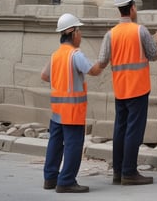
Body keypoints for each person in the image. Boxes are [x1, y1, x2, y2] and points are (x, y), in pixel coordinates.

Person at [96, 0, 157, 185]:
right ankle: (129, 172)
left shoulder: (111, 34)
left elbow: (102, 61)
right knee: (134, 130)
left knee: (120, 129)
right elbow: (154, 55)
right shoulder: (139, 30)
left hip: (121, 89)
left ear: (119, 10)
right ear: (132, 8)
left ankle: (118, 172)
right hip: (138, 89)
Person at [41, 13, 103, 193]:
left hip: (57, 111)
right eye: (79, 30)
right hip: (72, 111)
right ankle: (66, 181)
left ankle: (50, 178)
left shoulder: (56, 55)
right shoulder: (75, 55)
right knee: (73, 146)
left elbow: (44, 75)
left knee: (55, 143)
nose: (81, 34)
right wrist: (105, 59)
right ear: (72, 32)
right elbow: (93, 71)